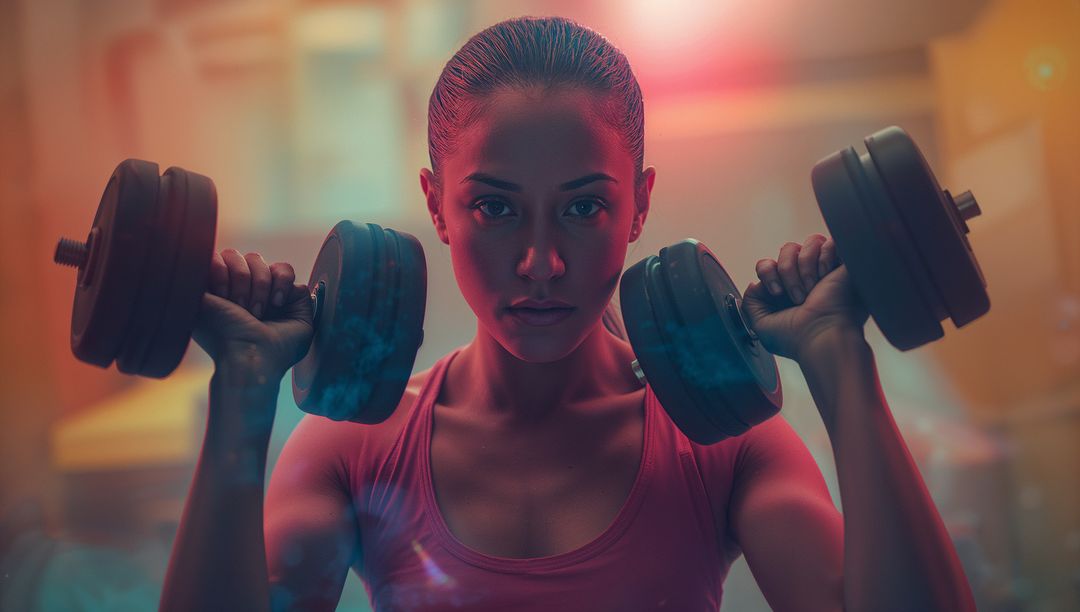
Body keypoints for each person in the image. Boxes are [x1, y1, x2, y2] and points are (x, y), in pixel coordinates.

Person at [160, 16, 977, 612]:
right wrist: (243, 388)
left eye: (584, 208)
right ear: (436, 206)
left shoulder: (723, 445)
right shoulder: (355, 446)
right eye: (495, 208)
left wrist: (839, 356)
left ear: (640, 204)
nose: (541, 263)